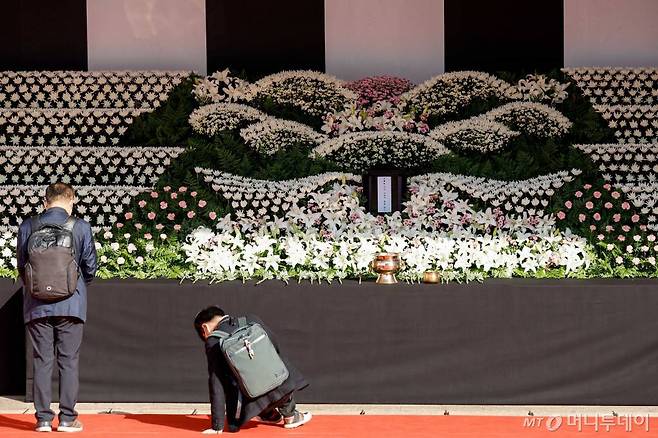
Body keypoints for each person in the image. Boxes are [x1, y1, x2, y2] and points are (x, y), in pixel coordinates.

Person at [17, 183, 97, 433]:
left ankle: (42, 419)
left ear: (45, 201)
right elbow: (90, 267)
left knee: (42, 360)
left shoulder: (28, 225)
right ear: (71, 200)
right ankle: (66, 419)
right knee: (68, 361)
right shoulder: (80, 226)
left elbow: (22, 265)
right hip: (71, 303)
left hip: (37, 304)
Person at [194, 306, 312, 434]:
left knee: (236, 379)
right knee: (277, 363)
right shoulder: (251, 319)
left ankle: (267, 413)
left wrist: (217, 425)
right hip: (282, 385)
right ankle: (290, 416)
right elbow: (274, 346)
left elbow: (216, 384)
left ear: (205, 328)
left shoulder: (213, 342)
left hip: (252, 400)